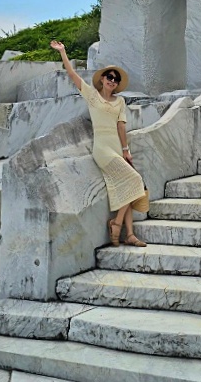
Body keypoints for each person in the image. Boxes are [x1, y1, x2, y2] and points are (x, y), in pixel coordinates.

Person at [49, 40, 148, 247]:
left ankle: (129, 234)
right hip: (102, 149)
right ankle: (116, 223)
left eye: (116, 79)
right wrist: (63, 53)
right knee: (135, 180)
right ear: (102, 79)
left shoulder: (120, 102)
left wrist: (125, 150)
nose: (112, 80)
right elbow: (73, 76)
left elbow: (121, 126)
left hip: (117, 148)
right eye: (109, 77)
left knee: (127, 188)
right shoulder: (92, 97)